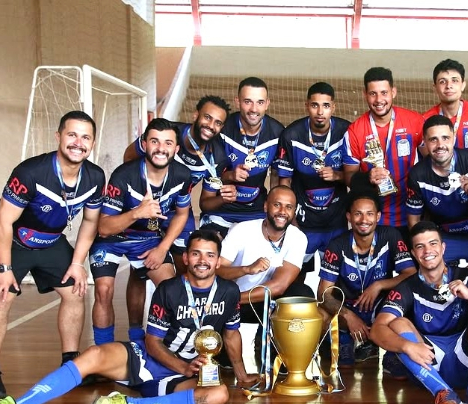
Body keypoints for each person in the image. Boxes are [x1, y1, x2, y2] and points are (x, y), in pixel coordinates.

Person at [0, 229, 258, 404]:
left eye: (210, 255)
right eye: (196, 254)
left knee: (218, 395)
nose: (203, 260)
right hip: (149, 359)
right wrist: (182, 365)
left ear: (218, 260)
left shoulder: (229, 292)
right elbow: (153, 343)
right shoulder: (168, 289)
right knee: (94, 354)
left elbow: (232, 335)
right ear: (186, 258)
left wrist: (242, 375)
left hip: (182, 376)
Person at [0, 111, 106, 398]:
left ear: (92, 143)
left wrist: (77, 263)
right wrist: (3, 268)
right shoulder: (31, 171)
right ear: (59, 137)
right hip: (13, 240)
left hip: (51, 241)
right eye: (72, 135)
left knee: (76, 290)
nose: (78, 143)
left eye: (85, 137)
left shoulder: (95, 177)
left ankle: (71, 365)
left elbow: (91, 221)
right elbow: (3, 221)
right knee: (0, 297)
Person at [370, 221, 468, 404]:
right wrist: (406, 346)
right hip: (428, 365)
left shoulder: (467, 277)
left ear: (443, 248)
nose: (427, 251)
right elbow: (377, 329)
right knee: (397, 323)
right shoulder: (406, 287)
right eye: (420, 246)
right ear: (413, 253)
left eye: (433, 244)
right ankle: (443, 394)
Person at [122, 95, 232, 342]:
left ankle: (176, 331)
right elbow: (128, 159)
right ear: (195, 115)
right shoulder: (167, 134)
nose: (210, 125)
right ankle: (135, 334)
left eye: (217, 122)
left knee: (186, 268)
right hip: (148, 209)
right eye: (207, 117)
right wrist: (141, 196)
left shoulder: (218, 156)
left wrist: (225, 197)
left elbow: (205, 202)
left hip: (180, 212)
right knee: (139, 269)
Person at [90, 118, 192, 346]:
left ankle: (146, 343)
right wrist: (137, 212)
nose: (160, 148)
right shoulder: (123, 175)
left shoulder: (182, 175)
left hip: (147, 239)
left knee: (169, 290)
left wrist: (162, 248)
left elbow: (182, 214)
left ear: (175, 149)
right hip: (113, 238)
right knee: (104, 290)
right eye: (154, 141)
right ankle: (104, 351)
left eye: (167, 143)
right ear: (144, 144)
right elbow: (104, 228)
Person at [317, 187, 416, 368]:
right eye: (358, 214)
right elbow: (324, 293)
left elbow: (411, 274)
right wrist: (348, 316)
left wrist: (379, 285)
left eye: (370, 214)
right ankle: (344, 339)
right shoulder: (337, 245)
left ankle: (392, 352)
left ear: (378, 217)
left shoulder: (391, 236)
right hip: (347, 306)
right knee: (319, 313)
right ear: (349, 217)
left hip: (380, 306)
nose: (364, 220)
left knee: (411, 301)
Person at [216, 186, 310, 363]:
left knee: (300, 293)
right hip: (233, 305)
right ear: (266, 206)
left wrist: (235, 298)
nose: (283, 212)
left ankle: (280, 351)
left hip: (263, 304)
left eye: (289, 207)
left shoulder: (298, 238)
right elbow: (218, 270)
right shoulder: (242, 230)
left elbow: (280, 285)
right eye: (277, 205)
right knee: (224, 363)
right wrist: (246, 269)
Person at [275, 82, 351, 289]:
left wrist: (337, 175)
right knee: (294, 277)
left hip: (336, 222)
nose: (320, 112)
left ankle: (335, 321)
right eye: (315, 105)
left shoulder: (346, 132)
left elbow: (358, 177)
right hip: (303, 222)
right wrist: (291, 223)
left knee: (337, 281)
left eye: (325, 105)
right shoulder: (291, 135)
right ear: (306, 105)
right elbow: (284, 182)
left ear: (333, 107)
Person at [343, 67, 424, 243]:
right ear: (365, 94)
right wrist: (367, 177)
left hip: (412, 213)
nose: (379, 100)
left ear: (393, 92)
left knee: (413, 268)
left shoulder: (415, 121)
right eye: (373, 94)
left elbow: (431, 163)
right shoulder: (355, 131)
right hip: (375, 219)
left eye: (384, 93)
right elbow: (349, 176)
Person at [200, 77, 284, 238]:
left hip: (256, 211)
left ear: (267, 104)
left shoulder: (277, 133)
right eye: (247, 101)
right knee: (211, 251)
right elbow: (211, 176)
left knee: (264, 256)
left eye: (260, 102)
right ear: (237, 102)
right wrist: (230, 175)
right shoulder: (223, 130)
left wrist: (271, 206)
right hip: (222, 210)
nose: (254, 109)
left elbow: (276, 175)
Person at [406, 115, 468, 265]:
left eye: (445, 138)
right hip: (445, 239)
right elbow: (414, 222)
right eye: (433, 139)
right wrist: (427, 247)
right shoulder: (417, 174)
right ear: (425, 143)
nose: (440, 145)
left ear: (453, 139)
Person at [422, 58, 468, 154]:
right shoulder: (426, 119)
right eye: (442, 81)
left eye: (455, 80)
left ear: (463, 85)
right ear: (435, 88)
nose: (449, 86)